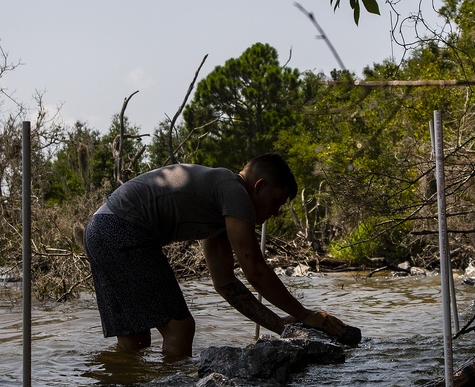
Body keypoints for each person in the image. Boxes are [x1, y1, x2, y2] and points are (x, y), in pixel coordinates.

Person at [83, 153, 349, 358]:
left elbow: (226, 284)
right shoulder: (233, 190)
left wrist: (280, 325)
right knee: (180, 327)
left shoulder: (219, 206)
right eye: (277, 202)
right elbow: (255, 270)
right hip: (121, 228)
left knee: (135, 339)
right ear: (259, 185)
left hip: (99, 229)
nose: (276, 212)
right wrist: (304, 314)